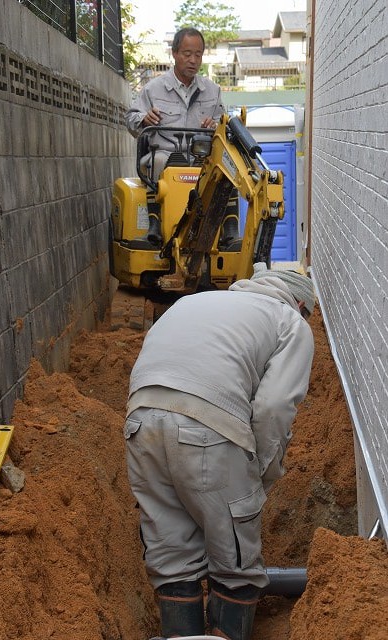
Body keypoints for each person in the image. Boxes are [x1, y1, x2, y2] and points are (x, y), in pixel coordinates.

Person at [123, 262, 316, 640]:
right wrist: (259, 471)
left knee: (172, 555)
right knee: (236, 562)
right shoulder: (290, 322)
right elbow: (273, 408)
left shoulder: (195, 303)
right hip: (209, 429)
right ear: (299, 303)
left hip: (139, 424)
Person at [125, 27, 240, 249]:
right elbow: (130, 119)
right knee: (156, 161)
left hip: (202, 158)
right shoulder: (153, 89)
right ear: (175, 53)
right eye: (187, 54)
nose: (193, 60)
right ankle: (155, 224)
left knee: (229, 165)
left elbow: (223, 125)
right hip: (166, 156)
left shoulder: (213, 91)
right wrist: (144, 119)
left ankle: (230, 229)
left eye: (198, 55)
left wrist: (215, 126)